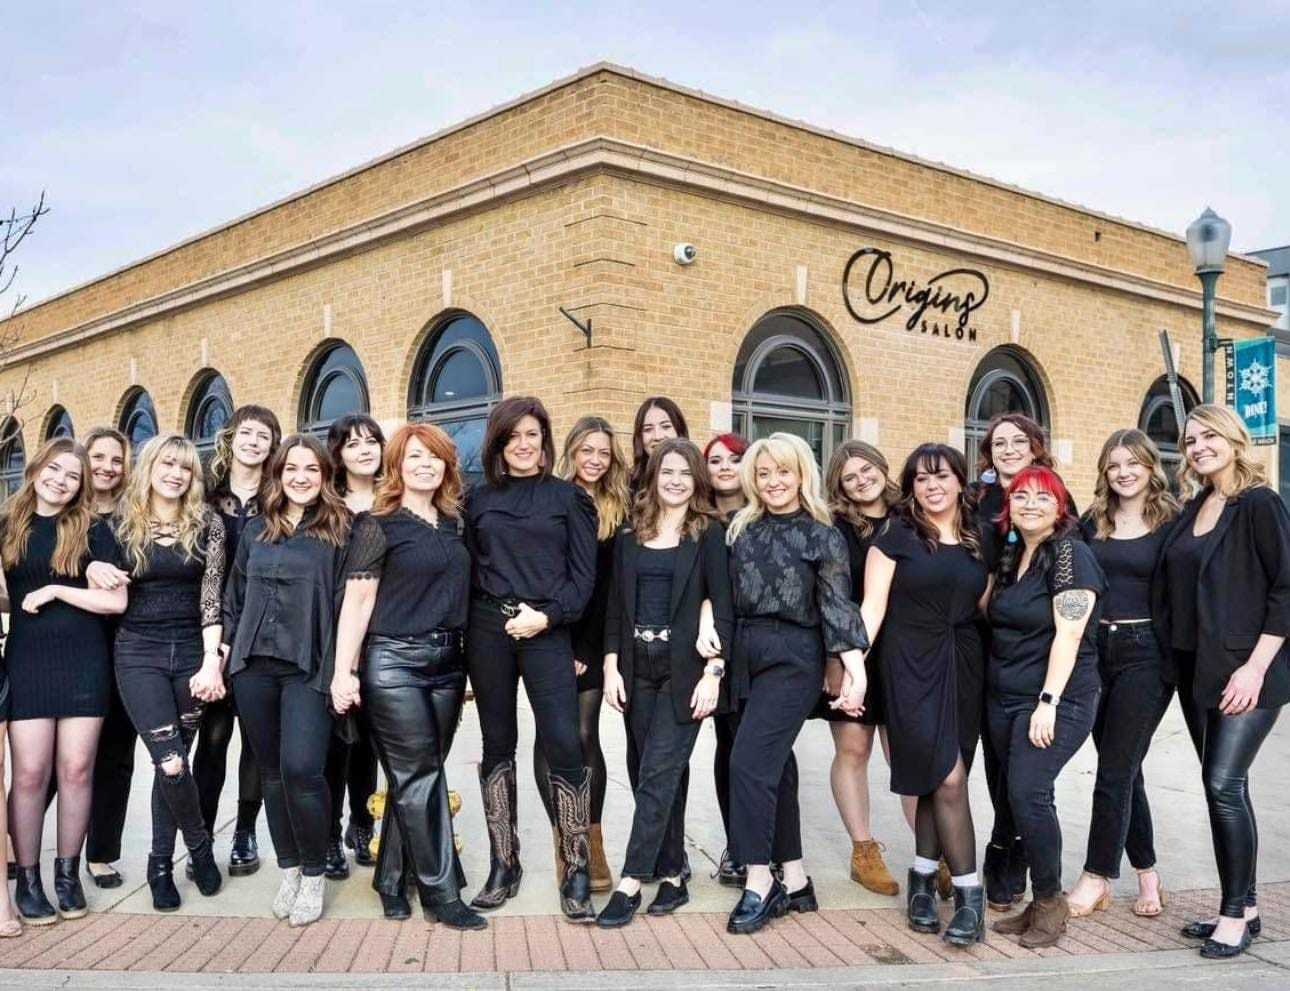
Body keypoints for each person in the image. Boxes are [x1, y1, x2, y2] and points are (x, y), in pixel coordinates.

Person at [332, 423, 485, 930]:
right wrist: (343, 671)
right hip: (393, 663)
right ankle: (443, 892)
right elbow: (358, 600)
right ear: (396, 465)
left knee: (413, 776)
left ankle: (391, 879)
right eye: (414, 456)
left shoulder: (453, 522)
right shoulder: (378, 524)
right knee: (420, 775)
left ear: (446, 464)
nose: (425, 464)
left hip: (447, 663)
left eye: (435, 456)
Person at [1156, 405, 1290, 960]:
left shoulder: (1259, 503)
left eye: (1210, 436)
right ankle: (1244, 904)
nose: (1199, 446)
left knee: (1222, 785)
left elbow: (1286, 590)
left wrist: (1255, 667)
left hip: (1247, 671)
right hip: (1197, 669)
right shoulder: (1197, 505)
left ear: (1235, 440)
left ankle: (1234, 916)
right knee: (1223, 792)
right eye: (1190, 440)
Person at [723, 433, 868, 935]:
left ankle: (759, 880)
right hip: (744, 654)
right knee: (776, 768)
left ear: (801, 473)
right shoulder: (740, 528)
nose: (773, 482)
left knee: (747, 763)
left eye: (783, 472)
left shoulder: (822, 535)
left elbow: (836, 607)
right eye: (763, 474)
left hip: (794, 656)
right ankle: (797, 878)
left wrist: (856, 671)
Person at [465, 397, 598, 921]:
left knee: (565, 743)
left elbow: (584, 580)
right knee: (497, 743)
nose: (524, 445)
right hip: (489, 630)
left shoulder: (570, 500)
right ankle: (505, 863)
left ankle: (576, 866)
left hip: (547, 628)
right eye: (512, 436)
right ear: (499, 444)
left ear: (545, 441)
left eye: (532, 435)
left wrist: (546, 617)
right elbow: (469, 568)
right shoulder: (477, 500)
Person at [87, 434, 227, 911]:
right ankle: (201, 848)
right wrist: (90, 575)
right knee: (169, 762)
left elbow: (212, 596)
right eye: (167, 464)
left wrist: (212, 659)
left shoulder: (208, 523)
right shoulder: (120, 524)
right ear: (150, 466)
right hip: (138, 652)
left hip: (191, 650)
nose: (176, 473)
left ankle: (160, 862)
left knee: (176, 767)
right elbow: (95, 573)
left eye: (185, 468)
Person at [596, 439, 732, 928]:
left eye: (684, 473)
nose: (675, 480)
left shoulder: (709, 534)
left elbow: (723, 606)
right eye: (666, 471)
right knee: (647, 772)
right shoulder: (631, 534)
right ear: (653, 475)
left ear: (697, 481)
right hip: (636, 667)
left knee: (657, 773)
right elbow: (615, 605)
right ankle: (673, 876)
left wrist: (714, 672)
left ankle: (632, 881)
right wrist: (611, 666)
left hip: (685, 672)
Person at [859, 444, 991, 944]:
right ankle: (968, 896)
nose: (932, 486)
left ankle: (920, 879)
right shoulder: (895, 535)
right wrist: (854, 667)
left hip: (965, 664)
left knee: (943, 781)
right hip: (909, 664)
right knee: (947, 778)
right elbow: (871, 609)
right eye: (920, 479)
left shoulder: (981, 538)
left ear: (961, 481)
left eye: (941, 477)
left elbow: (985, 605)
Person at [223, 433, 351, 928]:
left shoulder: (340, 530)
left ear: (325, 476)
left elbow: (347, 604)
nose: (301, 478)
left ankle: (316, 871)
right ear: (278, 475)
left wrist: (341, 669)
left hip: (309, 666)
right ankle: (291, 867)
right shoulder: (256, 529)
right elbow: (234, 595)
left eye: (312, 470)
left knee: (302, 769)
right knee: (271, 773)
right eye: (291, 468)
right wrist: (229, 654)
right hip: (254, 668)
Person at [3, 438, 126, 925]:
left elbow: (115, 604)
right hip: (29, 660)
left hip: (84, 659)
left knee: (76, 770)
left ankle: (67, 875)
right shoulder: (9, 525)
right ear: (35, 470)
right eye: (54, 469)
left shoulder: (92, 531)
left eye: (72, 476)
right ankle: (28, 879)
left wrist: (56, 589)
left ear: (80, 487)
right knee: (30, 774)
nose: (61, 480)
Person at [988, 465, 1103, 949]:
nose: (1030, 504)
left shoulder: (1069, 554)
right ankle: (1036, 902)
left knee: (1030, 792)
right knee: (1014, 798)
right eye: (1020, 496)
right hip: (1006, 695)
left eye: (1042, 497)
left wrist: (1048, 701)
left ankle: (1051, 901)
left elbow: (1071, 632)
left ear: (1060, 508)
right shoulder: (1013, 553)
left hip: (1058, 697)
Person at [1067, 429, 1177, 919]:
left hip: (1146, 654)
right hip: (1094, 651)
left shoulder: (1172, 521)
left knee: (1114, 769)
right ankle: (1148, 874)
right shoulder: (1093, 522)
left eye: (1133, 463)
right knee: (1124, 768)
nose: (1124, 473)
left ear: (1151, 467)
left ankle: (1096, 876)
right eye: (1114, 465)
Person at [816, 441, 916, 898]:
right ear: (838, 484)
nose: (861, 480)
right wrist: (835, 659)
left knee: (908, 756)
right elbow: (828, 597)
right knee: (854, 751)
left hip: (906, 653)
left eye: (867, 470)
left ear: (882, 467)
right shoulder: (835, 528)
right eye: (849, 476)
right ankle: (864, 850)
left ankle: (930, 849)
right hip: (850, 651)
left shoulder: (912, 516)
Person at [532, 416, 628, 893]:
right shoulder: (550, 498)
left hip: (596, 635)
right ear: (570, 450)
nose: (594, 460)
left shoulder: (619, 506)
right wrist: (559, 640)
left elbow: (611, 585)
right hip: (552, 634)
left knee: (586, 734)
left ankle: (591, 839)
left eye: (603, 453)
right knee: (553, 735)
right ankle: (563, 838)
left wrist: (595, 648)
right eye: (586, 450)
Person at [972, 412, 1059, 908]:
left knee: (1024, 769)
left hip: (1033, 647)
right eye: (998, 443)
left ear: (1035, 447)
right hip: (986, 642)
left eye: (1017, 441)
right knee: (997, 759)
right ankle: (1008, 839)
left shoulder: (1047, 496)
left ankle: (1009, 847)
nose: (1007, 449)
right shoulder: (976, 501)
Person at [195, 405, 280, 877]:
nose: (253, 441)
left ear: (272, 444)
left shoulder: (278, 497)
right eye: (246, 432)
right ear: (232, 438)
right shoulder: (207, 494)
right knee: (212, 738)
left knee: (256, 740)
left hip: (262, 633)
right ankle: (203, 835)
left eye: (263, 435)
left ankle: (245, 833)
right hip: (209, 631)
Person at [322, 413, 385, 879]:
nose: (365, 450)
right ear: (339, 454)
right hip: (336, 634)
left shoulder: (394, 500)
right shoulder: (328, 506)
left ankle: (362, 826)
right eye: (354, 444)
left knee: (370, 742)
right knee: (335, 743)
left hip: (385, 635)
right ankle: (328, 834)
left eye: (372, 442)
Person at [79, 428, 135, 889]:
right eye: (98, 457)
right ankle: (22, 845)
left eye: (116, 460)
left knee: (115, 754)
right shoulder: (64, 515)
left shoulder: (130, 519)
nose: (107, 467)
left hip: (122, 644)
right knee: (61, 758)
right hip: (70, 646)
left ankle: (100, 853)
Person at [703, 432, 748, 886]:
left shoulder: (762, 514)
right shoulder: (701, 520)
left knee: (767, 751)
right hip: (718, 645)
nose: (724, 466)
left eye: (734, 458)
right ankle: (737, 846)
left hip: (761, 643)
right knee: (728, 744)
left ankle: (770, 844)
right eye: (714, 460)